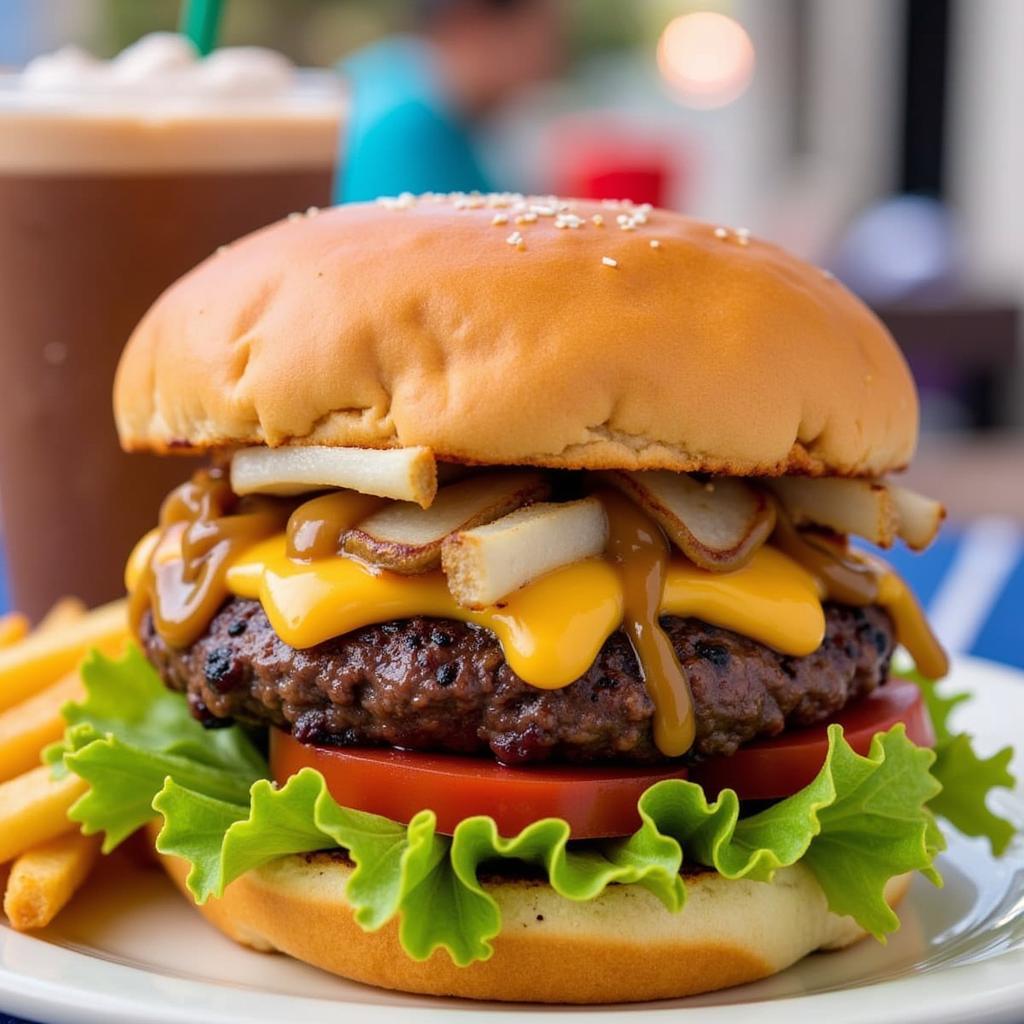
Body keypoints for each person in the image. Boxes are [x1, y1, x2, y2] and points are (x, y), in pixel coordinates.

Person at [336, 0, 563, 202]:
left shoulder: (389, 79)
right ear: (473, 19)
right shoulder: (409, 130)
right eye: (545, 27)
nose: (554, 53)